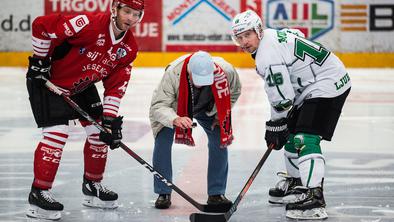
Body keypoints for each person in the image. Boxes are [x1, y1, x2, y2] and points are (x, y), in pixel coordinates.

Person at [25, 0, 144, 220]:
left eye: (136, 15)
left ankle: (92, 186)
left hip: (82, 86)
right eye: (127, 12)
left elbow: (116, 86)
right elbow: (41, 25)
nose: (131, 19)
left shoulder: (128, 48)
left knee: (100, 135)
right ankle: (38, 193)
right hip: (49, 80)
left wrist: (109, 119)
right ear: (114, 9)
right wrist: (40, 60)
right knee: (56, 134)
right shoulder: (88, 24)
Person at [231, 10, 351, 220]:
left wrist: (275, 124)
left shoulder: (266, 55)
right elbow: (296, 34)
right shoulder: (271, 38)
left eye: (247, 35)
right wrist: (279, 126)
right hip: (314, 84)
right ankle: (297, 184)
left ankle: (315, 196)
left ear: (258, 31)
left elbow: (283, 98)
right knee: (290, 133)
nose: (243, 42)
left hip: (328, 84)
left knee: (304, 137)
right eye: (239, 37)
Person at [149, 51, 242, 209]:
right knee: (162, 140)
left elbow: (234, 92)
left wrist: (219, 116)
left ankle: (216, 193)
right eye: (197, 79)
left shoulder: (226, 72)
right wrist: (175, 119)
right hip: (176, 109)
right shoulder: (174, 73)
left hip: (208, 109)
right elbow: (158, 106)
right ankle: (163, 192)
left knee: (220, 140)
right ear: (189, 71)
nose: (202, 84)